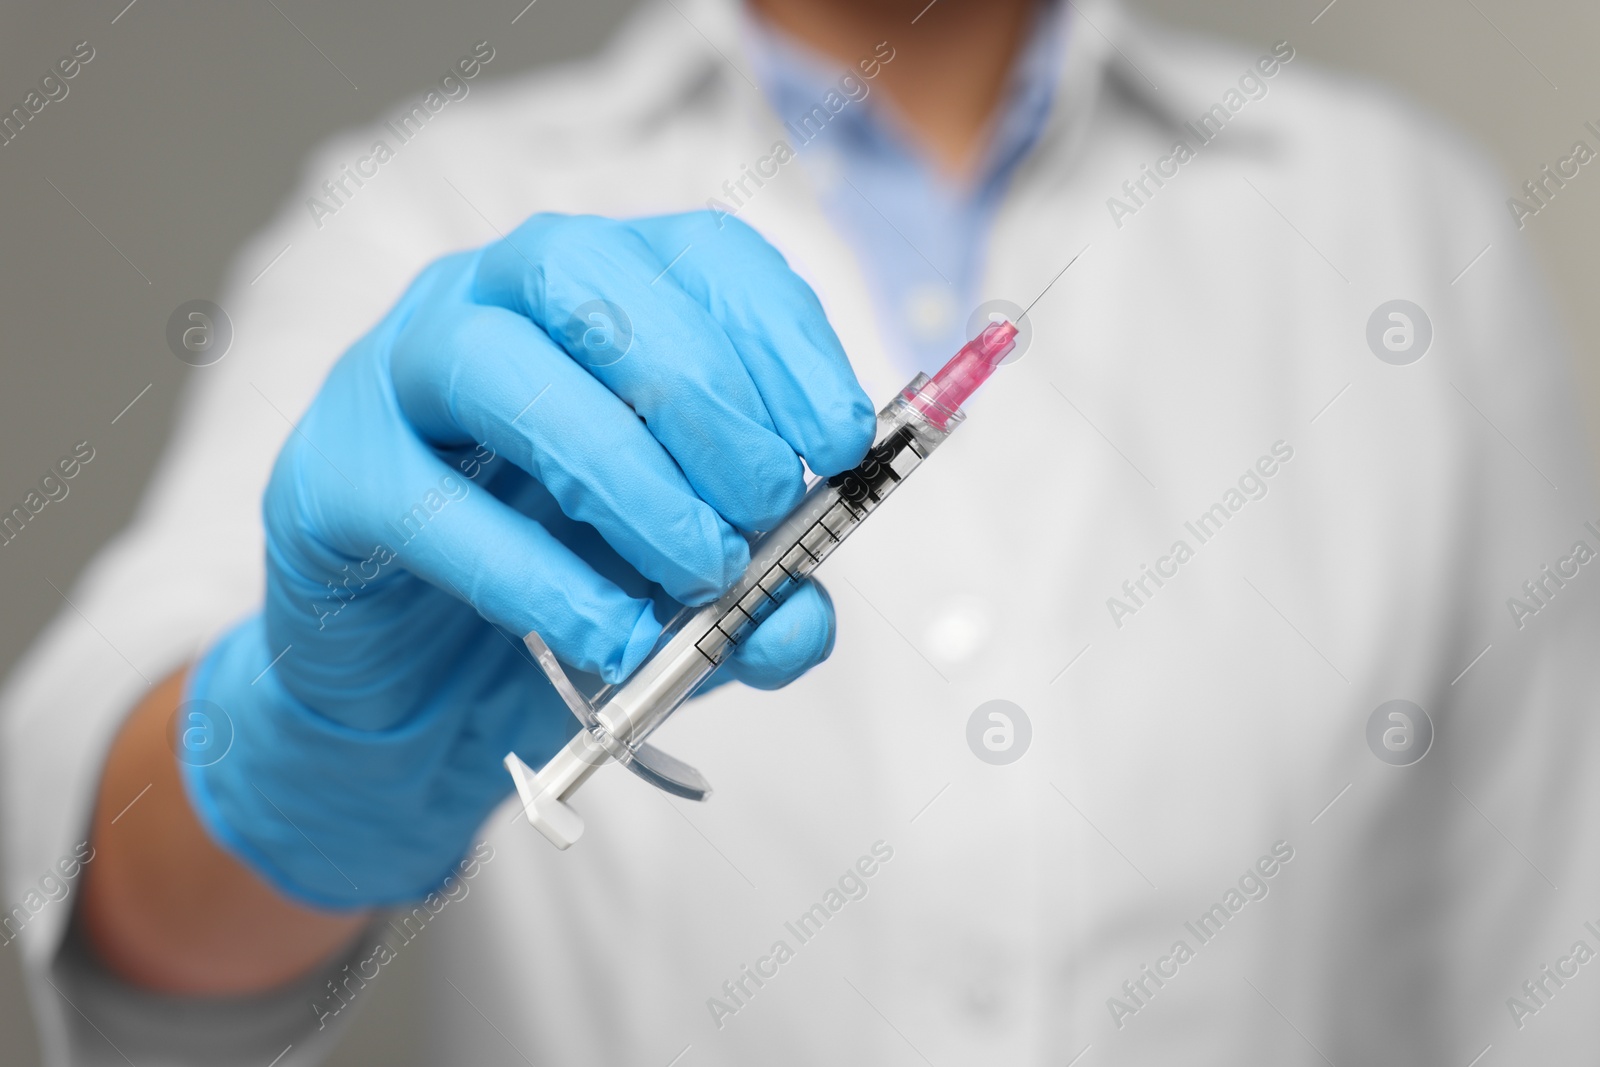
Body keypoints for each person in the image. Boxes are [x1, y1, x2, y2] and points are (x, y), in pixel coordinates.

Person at [5, 0, 1598, 1062]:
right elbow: (86, 857)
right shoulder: (425, 208)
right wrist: (295, 775)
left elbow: (1553, 962)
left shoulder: (1402, 227)